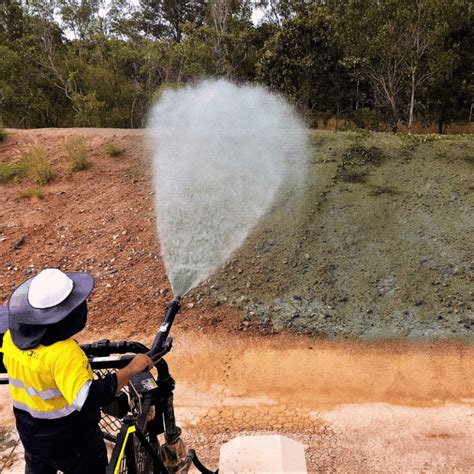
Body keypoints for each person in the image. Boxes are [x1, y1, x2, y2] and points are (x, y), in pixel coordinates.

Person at [0, 268, 153, 474]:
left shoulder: (11, 339)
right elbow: (88, 397)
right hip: (72, 442)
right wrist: (131, 370)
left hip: (32, 437)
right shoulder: (64, 354)